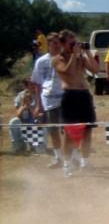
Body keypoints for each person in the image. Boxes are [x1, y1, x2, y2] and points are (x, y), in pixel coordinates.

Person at [52, 29, 99, 176]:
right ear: (63, 44)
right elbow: (68, 72)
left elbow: (95, 70)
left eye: (75, 42)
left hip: (84, 95)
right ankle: (67, 164)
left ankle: (85, 162)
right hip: (70, 96)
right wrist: (73, 55)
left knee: (87, 130)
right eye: (71, 43)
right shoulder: (57, 59)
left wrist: (88, 53)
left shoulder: (80, 58)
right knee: (69, 132)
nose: (74, 45)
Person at [31, 32, 65, 167]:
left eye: (59, 43)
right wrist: (38, 104)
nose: (57, 46)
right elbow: (37, 84)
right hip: (49, 100)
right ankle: (58, 158)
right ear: (49, 44)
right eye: (54, 43)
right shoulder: (41, 61)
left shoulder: (66, 58)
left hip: (66, 98)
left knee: (69, 129)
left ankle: (74, 156)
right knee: (53, 130)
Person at [8, 80, 38, 154]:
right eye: (29, 85)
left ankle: (34, 145)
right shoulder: (20, 95)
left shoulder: (38, 95)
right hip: (22, 119)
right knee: (13, 122)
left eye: (33, 85)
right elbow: (17, 114)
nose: (32, 87)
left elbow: (36, 114)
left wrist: (29, 106)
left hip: (34, 120)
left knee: (35, 121)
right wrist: (23, 105)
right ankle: (18, 145)